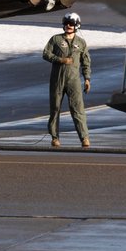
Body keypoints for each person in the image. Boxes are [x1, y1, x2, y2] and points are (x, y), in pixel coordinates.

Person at [42, 11, 91, 148]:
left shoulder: (81, 43)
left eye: (72, 24)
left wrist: (87, 79)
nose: (68, 26)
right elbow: (45, 54)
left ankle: (84, 138)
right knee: (55, 108)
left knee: (78, 109)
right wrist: (60, 60)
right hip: (57, 79)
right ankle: (54, 137)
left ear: (77, 26)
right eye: (66, 23)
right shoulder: (56, 39)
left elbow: (86, 62)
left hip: (73, 80)